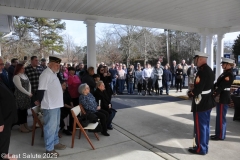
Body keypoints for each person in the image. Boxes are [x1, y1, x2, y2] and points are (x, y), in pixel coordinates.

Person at [35, 56, 66, 157]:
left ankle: (55, 142)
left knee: (56, 126)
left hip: (56, 105)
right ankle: (49, 149)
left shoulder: (53, 74)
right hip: (50, 106)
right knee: (50, 127)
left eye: (59, 65)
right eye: (56, 65)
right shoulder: (45, 74)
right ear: (50, 64)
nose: (58, 67)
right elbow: (41, 90)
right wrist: (38, 101)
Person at [187, 51, 215, 155]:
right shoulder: (208, 69)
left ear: (200, 59)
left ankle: (200, 148)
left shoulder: (202, 71)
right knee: (205, 126)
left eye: (196, 59)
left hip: (201, 103)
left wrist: (190, 93)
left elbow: (198, 89)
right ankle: (204, 146)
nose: (195, 61)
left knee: (200, 126)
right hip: (207, 101)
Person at [211, 58, 234, 141]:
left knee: (221, 117)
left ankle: (220, 135)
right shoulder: (224, 74)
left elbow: (221, 87)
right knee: (219, 117)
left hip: (223, 97)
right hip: (221, 97)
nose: (222, 65)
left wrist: (213, 95)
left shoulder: (229, 75)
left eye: (223, 64)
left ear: (228, 65)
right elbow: (216, 84)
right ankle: (218, 134)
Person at [0, 69, 18, 160]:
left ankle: (4, 154)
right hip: (2, 119)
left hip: (7, 117)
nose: (2, 67)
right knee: (2, 140)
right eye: (0, 64)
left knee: (5, 140)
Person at [13, 64, 32, 133]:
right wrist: (28, 93)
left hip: (26, 96)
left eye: (24, 68)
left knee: (25, 112)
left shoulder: (25, 75)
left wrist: (29, 92)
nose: (23, 69)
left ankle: (25, 124)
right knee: (21, 112)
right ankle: (21, 126)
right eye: (22, 68)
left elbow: (29, 84)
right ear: (18, 69)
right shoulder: (16, 77)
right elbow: (20, 87)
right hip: (20, 96)